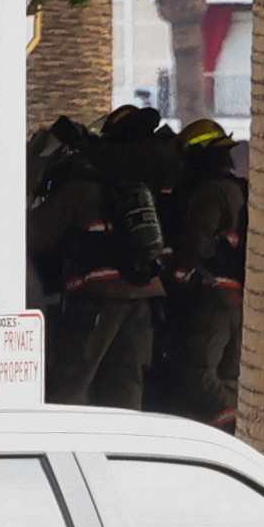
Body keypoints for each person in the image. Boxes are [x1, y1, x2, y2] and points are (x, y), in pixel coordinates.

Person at [28, 106, 168, 410]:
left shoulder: (78, 189)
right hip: (143, 296)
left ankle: (68, 444)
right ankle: (125, 449)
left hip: (99, 297)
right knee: (126, 384)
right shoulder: (140, 179)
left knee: (73, 381)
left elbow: (33, 237)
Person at [161, 118, 246, 430]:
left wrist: (176, 283)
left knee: (196, 370)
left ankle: (225, 425)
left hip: (213, 296)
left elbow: (193, 247)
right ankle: (234, 430)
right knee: (229, 374)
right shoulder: (241, 190)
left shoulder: (211, 193)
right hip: (239, 297)